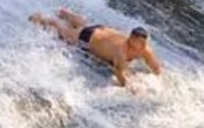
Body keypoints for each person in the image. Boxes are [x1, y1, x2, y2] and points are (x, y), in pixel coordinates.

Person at [30, 7, 163, 87]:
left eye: (138, 46)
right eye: (131, 45)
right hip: (88, 38)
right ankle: (44, 19)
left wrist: (159, 81)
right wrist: (133, 90)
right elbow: (121, 77)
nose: (134, 49)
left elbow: (156, 68)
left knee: (82, 26)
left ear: (143, 44)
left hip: (99, 30)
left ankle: (65, 14)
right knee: (65, 33)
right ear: (129, 40)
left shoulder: (146, 50)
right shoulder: (121, 52)